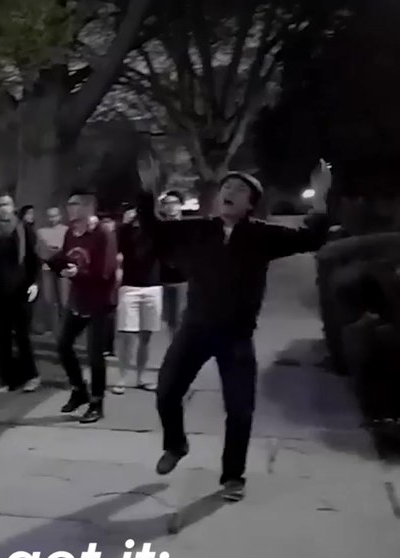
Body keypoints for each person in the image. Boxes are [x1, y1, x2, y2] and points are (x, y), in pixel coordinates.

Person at [140, 159, 335, 502]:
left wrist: (320, 198)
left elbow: (311, 238)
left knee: (240, 409)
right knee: (167, 392)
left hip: (236, 336)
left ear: (250, 203)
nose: (229, 191)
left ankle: (233, 476)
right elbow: (153, 228)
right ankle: (176, 444)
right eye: (226, 187)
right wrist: (148, 190)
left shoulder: (262, 235)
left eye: (239, 189)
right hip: (195, 329)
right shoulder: (199, 229)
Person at [47, 193, 119, 423]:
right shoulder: (71, 233)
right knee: (63, 345)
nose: (70, 208)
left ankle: (97, 403)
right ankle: (79, 390)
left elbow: (105, 271)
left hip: (101, 300)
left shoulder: (102, 234)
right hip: (79, 298)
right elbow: (66, 257)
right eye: (68, 204)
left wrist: (78, 273)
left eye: (75, 204)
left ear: (88, 208)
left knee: (95, 354)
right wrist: (55, 263)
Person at [0, 194, 41, 393]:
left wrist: (35, 282)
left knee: (22, 336)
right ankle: (6, 378)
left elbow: (35, 257)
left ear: (13, 207)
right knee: (3, 337)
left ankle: (31, 375)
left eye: (6, 204)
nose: (3, 208)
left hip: (22, 291)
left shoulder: (24, 230)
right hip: (0, 292)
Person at [112, 206, 163, 392]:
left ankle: (141, 377)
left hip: (153, 287)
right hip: (129, 287)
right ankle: (122, 378)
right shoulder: (126, 232)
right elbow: (115, 245)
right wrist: (125, 223)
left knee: (146, 336)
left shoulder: (156, 232)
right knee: (127, 335)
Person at [158, 190, 188, 336]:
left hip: (183, 279)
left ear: (181, 205)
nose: (171, 207)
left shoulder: (189, 227)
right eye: (166, 204)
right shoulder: (159, 228)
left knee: (179, 319)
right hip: (162, 279)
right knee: (169, 320)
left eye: (174, 203)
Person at [36, 206, 69, 335]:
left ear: (60, 216)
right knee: (48, 298)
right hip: (47, 266)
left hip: (62, 266)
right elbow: (38, 250)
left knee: (64, 298)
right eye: (49, 216)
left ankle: (64, 326)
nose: (52, 219)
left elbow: (69, 249)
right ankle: (51, 326)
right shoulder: (41, 232)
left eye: (54, 216)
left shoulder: (67, 231)